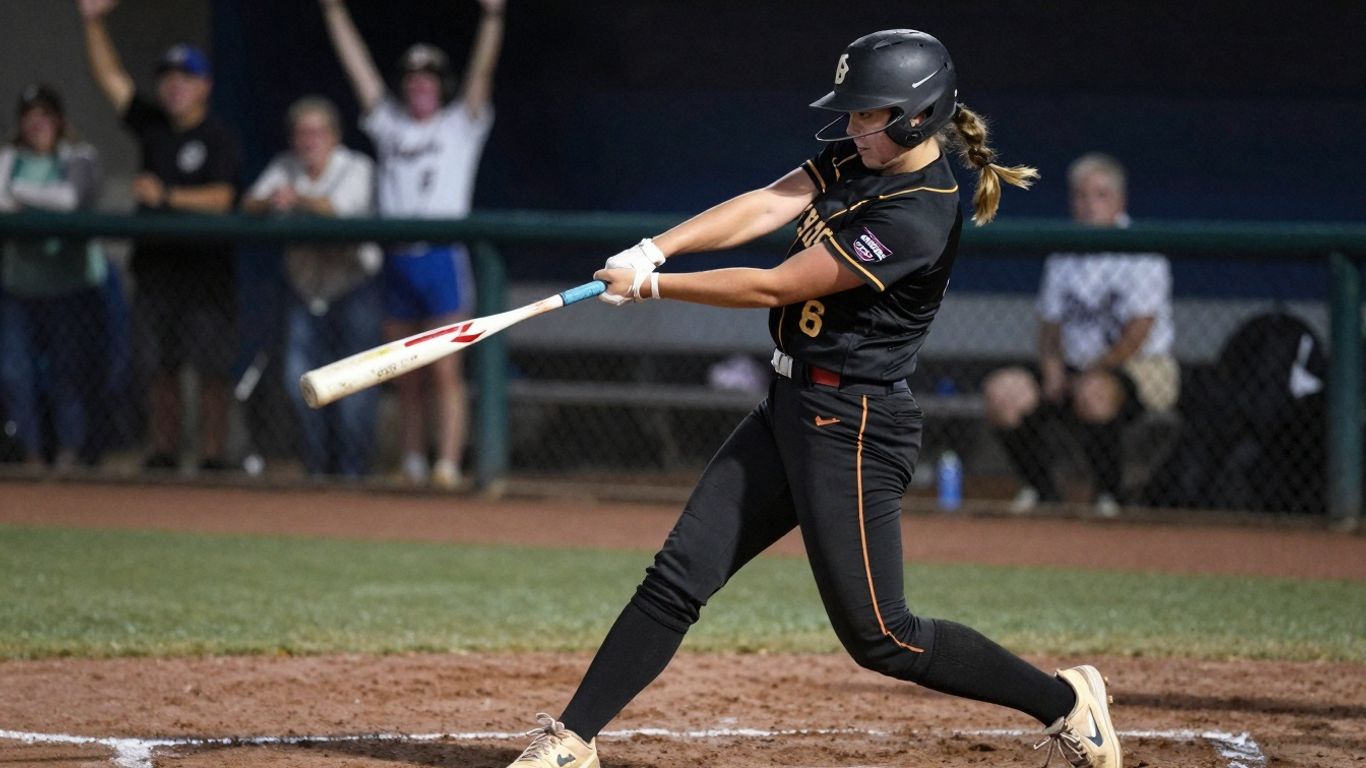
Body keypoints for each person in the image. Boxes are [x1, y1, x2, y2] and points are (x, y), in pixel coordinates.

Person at [507, 31, 1122, 768]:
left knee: (883, 638)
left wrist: (654, 289)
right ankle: (572, 741)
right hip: (789, 408)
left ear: (918, 118)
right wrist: (657, 248)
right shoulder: (860, 157)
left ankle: (1066, 702)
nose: (855, 128)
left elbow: (777, 284)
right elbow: (771, 202)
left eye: (870, 115)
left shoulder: (919, 214)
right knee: (678, 576)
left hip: (855, 426)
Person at [319, 0, 506, 489]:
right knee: (406, 373)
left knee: (446, 370)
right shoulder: (391, 126)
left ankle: (447, 464)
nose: (420, 83)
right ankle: (412, 461)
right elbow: (359, 72)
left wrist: (491, 18)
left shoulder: (459, 125)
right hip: (398, 259)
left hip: (443, 258)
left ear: (440, 84)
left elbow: (480, 75)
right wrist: (335, 12)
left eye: (429, 76)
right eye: (412, 76)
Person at [79, 0, 242, 473]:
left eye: (185, 77)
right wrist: (92, 21)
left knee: (211, 370)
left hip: (207, 274)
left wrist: (167, 195)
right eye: (167, 76)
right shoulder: (152, 125)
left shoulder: (219, 137)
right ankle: (164, 453)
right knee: (160, 369)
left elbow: (223, 198)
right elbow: (111, 80)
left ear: (204, 86)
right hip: (155, 271)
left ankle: (213, 456)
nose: (174, 85)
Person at [983, 153, 1177, 517]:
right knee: (1003, 392)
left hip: (1141, 369)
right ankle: (1043, 492)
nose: (1090, 205)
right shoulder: (1065, 253)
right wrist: (1053, 368)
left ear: (1120, 201)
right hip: (1074, 366)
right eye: (1083, 196)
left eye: (1101, 195)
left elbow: (1139, 331)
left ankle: (1110, 496)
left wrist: (1095, 370)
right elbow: (1049, 327)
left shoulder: (1142, 250)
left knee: (1094, 392)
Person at [242, 96, 381, 479]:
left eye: (317, 132)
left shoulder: (356, 167)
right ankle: (316, 468)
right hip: (304, 290)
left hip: (353, 287)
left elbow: (339, 211)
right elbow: (249, 204)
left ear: (335, 136)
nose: (309, 140)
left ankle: (353, 472)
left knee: (355, 383)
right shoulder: (285, 166)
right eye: (302, 133)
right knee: (299, 379)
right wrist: (272, 199)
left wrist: (296, 198)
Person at [0, 83, 107, 471]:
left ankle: (69, 456)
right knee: (14, 374)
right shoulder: (9, 157)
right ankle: (30, 455)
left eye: (45, 114)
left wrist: (18, 193)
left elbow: (69, 200)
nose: (37, 122)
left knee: (69, 374)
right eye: (30, 115)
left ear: (60, 120)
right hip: (19, 287)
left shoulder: (79, 155)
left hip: (71, 287)